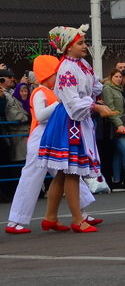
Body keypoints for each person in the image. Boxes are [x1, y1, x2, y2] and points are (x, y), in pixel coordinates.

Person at [6, 55, 97, 234]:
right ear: (47, 76)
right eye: (56, 74)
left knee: (70, 171)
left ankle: (78, 214)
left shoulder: (57, 91)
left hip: (55, 135)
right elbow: (40, 116)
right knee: (32, 176)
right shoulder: (39, 92)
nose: (60, 77)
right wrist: (61, 104)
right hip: (40, 136)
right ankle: (14, 220)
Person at [37, 25, 115, 232]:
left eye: (84, 42)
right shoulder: (66, 68)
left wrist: (98, 89)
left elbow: (94, 86)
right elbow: (72, 101)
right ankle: (77, 218)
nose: (84, 45)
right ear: (67, 47)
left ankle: (51, 217)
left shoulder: (81, 64)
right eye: (80, 43)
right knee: (71, 170)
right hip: (70, 119)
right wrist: (95, 106)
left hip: (77, 118)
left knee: (64, 173)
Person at [101, 69, 125, 191]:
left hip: (122, 122)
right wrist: (119, 124)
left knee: (118, 153)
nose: (119, 79)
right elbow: (110, 108)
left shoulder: (118, 89)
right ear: (111, 77)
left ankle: (117, 181)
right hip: (114, 124)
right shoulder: (108, 89)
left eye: (120, 76)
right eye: (116, 76)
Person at [5, 83, 32, 162]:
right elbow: (12, 114)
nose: (24, 93)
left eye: (26, 91)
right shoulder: (12, 101)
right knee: (20, 158)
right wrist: (26, 117)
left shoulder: (30, 101)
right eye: (21, 91)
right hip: (19, 134)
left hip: (30, 133)